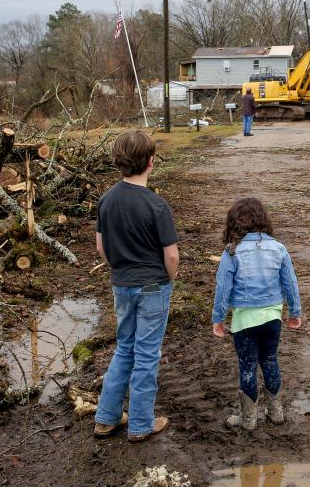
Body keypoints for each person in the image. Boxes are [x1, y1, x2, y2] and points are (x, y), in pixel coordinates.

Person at [93, 130, 179, 442]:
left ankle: (106, 417)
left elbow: (101, 247)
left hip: (121, 285)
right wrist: (170, 278)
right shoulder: (156, 205)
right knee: (146, 353)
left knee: (124, 348)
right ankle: (141, 423)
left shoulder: (106, 200)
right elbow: (171, 254)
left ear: (119, 162)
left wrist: (119, 268)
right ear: (151, 162)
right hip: (153, 286)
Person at [211, 198, 302, 430]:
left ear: (234, 223)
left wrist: (218, 317)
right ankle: (276, 413)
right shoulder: (278, 248)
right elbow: (290, 283)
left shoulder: (232, 252)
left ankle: (249, 419)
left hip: (245, 321)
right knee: (270, 360)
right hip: (272, 318)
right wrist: (294, 312)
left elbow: (223, 287)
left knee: (248, 366)